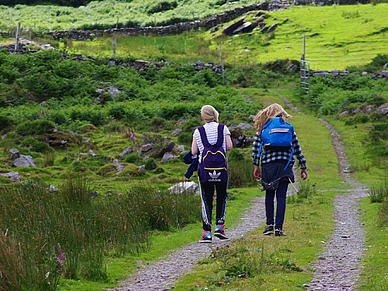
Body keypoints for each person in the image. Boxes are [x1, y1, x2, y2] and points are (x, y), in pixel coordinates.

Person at [251, 103, 308, 236]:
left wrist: (256, 166)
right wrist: (303, 166)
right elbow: (297, 148)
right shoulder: (289, 129)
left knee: (269, 195)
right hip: (285, 165)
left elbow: (256, 149)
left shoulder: (262, 129)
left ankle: (269, 225)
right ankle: (279, 228)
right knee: (281, 196)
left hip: (268, 166)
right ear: (282, 113)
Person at [191, 105, 233, 243]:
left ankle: (206, 232)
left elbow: (193, 151)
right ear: (215, 114)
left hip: (205, 170)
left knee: (206, 199)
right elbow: (229, 146)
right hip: (221, 170)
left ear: (203, 116)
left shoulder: (198, 131)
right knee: (222, 196)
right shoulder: (223, 128)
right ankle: (220, 227)